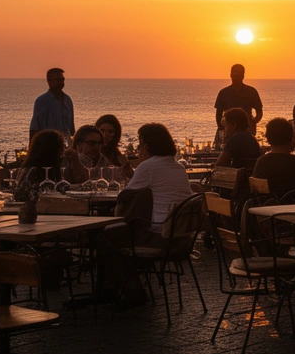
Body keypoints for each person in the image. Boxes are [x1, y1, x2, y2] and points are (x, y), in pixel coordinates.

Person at [102, 123, 192, 310]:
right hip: (181, 238)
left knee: (105, 237)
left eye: (141, 144)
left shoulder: (149, 166)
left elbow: (124, 196)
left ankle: (130, 290)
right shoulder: (178, 167)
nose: (139, 149)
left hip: (158, 237)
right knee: (118, 233)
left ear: (148, 146)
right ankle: (119, 287)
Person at [253, 118, 295, 198]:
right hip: (293, 208)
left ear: (268, 137)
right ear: (291, 137)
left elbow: (255, 192)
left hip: (265, 208)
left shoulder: (261, 162)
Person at [13, 129, 71, 204]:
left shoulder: (26, 168)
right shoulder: (35, 171)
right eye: (62, 147)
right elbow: (37, 196)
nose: (63, 150)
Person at [214, 64, 263, 133]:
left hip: (247, 130)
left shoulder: (251, 91)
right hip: (228, 130)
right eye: (235, 76)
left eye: (239, 76)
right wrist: (221, 127)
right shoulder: (223, 93)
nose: (236, 78)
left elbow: (259, 112)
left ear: (243, 76)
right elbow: (218, 114)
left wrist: (252, 123)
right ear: (231, 75)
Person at [30, 67, 74, 139]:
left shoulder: (68, 100)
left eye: (62, 79)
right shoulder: (42, 101)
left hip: (66, 145)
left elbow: (71, 127)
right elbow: (35, 128)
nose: (61, 82)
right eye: (58, 80)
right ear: (49, 81)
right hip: (49, 145)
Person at [95, 114, 134, 178]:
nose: (105, 135)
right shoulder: (90, 153)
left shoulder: (119, 156)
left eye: (110, 132)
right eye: (102, 130)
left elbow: (132, 177)